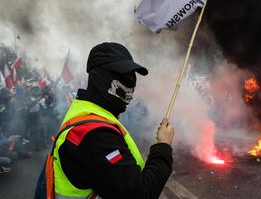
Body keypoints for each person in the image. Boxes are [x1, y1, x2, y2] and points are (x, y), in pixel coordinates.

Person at [52, 42, 175, 198]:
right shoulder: (94, 134)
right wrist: (163, 145)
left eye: (132, 75)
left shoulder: (88, 112)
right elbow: (140, 194)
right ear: (100, 76)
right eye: (123, 75)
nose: (131, 81)